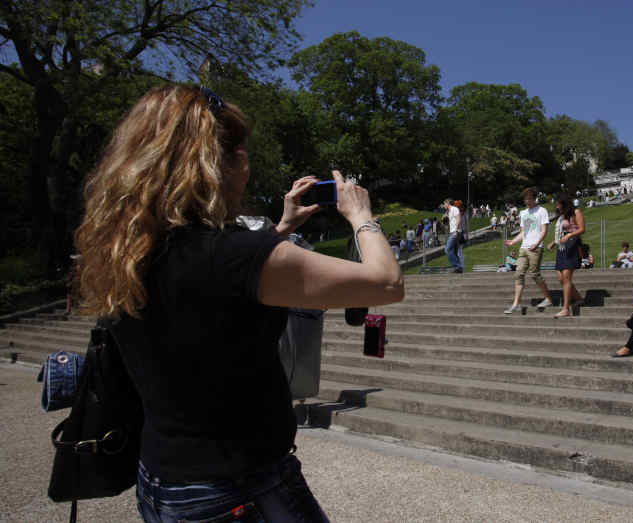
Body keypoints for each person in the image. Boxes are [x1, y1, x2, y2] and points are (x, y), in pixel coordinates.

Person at [73, 84, 404, 522]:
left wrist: (281, 229)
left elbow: (220, 281)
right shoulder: (234, 255)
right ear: (219, 166)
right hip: (240, 487)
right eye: (241, 152)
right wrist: (361, 214)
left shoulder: (128, 251)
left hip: (163, 481)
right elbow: (385, 283)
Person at [503, 187, 553, 313]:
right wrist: (513, 241)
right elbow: (523, 232)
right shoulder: (523, 213)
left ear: (534, 198)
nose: (527, 201)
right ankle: (516, 303)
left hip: (535, 247)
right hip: (524, 247)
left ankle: (548, 298)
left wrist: (537, 244)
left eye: (529, 199)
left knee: (534, 273)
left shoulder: (542, 211)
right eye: (525, 199)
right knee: (518, 273)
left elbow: (544, 230)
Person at [547, 194, 585, 318]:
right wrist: (553, 242)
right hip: (562, 246)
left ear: (564, 203)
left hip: (572, 244)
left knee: (567, 277)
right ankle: (579, 298)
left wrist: (569, 236)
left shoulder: (576, 212)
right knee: (561, 278)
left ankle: (566, 308)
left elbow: (582, 229)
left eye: (558, 204)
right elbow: (561, 232)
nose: (557, 207)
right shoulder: (562, 216)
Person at [443, 198, 463, 273]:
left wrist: (455, 230)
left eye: (444, 204)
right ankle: (459, 268)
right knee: (454, 251)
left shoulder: (454, 209)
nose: (443, 205)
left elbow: (458, 219)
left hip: (455, 232)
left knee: (447, 249)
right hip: (453, 232)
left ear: (448, 203)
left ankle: (456, 266)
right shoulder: (449, 211)